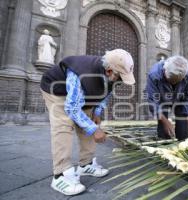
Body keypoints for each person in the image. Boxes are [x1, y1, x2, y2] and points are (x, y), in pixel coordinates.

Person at [40, 49, 135, 196]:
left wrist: (97, 112)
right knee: (64, 125)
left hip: (82, 94)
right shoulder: (81, 73)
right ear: (109, 71)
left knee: (88, 122)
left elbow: (106, 92)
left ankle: (86, 163)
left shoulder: (113, 76)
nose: (121, 81)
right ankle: (60, 174)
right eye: (120, 77)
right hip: (56, 90)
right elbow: (72, 108)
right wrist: (95, 130)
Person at [146, 56, 188, 141]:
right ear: (165, 70)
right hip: (161, 99)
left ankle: (182, 143)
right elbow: (153, 102)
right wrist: (165, 121)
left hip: (180, 98)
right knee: (164, 128)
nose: (173, 85)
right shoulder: (154, 74)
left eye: (176, 82)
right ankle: (164, 142)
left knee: (183, 129)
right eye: (170, 81)